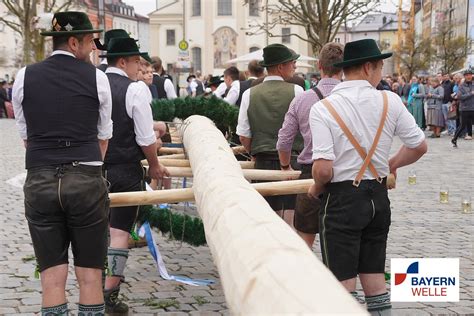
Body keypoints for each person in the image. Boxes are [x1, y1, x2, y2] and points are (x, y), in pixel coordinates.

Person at [309, 39, 427, 315]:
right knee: (374, 279)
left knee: (341, 284)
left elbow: (324, 169)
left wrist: (316, 187)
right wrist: (392, 164)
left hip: (342, 201)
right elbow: (419, 146)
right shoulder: (390, 100)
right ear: (367, 67)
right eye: (380, 67)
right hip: (378, 198)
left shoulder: (324, 108)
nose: (381, 73)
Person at [12, 11, 112, 315]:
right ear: (73, 42)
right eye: (89, 42)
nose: (93, 48)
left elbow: (27, 137)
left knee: (52, 280)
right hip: (85, 178)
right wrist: (87, 170)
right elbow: (104, 136)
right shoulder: (97, 77)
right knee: (90, 276)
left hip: (40, 179)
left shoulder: (23, 76)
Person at [101, 37, 169, 314]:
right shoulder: (135, 90)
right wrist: (154, 164)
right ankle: (110, 294)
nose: (138, 67)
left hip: (93, 168)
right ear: (123, 61)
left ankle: (92, 288)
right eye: (136, 62)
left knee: (98, 231)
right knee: (119, 233)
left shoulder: (94, 82)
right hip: (125, 168)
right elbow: (143, 136)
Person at [277, 42, 344, 248]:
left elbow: (284, 140)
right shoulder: (352, 99)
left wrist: (285, 165)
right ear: (343, 68)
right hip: (346, 173)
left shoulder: (303, 99)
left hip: (310, 172)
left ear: (320, 66)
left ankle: (303, 278)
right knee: (340, 242)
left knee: (304, 239)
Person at [237, 43, 304, 225]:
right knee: (289, 216)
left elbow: (243, 135)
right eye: (292, 63)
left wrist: (254, 152)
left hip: (262, 161)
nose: (295, 66)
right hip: (292, 161)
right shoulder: (297, 91)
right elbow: (304, 128)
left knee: (264, 218)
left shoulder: (249, 93)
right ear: (281, 66)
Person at [451, 69, 474, 147]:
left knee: (470, 124)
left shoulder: (473, 84)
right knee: (462, 125)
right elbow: (460, 97)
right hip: (464, 108)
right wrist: (470, 93)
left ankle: (470, 135)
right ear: (464, 76)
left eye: (470, 75)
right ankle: (454, 139)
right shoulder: (461, 86)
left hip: (473, 107)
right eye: (467, 75)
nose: (469, 76)